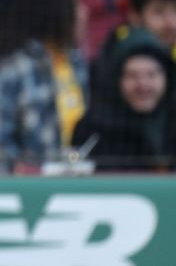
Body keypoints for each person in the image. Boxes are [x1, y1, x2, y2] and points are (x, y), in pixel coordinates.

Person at [0, 0, 89, 173]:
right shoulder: (10, 72)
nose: (85, 12)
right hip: (28, 191)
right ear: (58, 12)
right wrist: (23, 175)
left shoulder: (79, 65)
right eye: (76, 5)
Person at [71, 29, 175, 171]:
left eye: (152, 74)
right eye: (132, 75)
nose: (143, 85)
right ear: (116, 80)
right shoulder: (93, 132)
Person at [92, 0, 176, 98]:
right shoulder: (114, 60)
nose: (171, 24)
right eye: (158, 12)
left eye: (175, 11)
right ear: (135, 17)